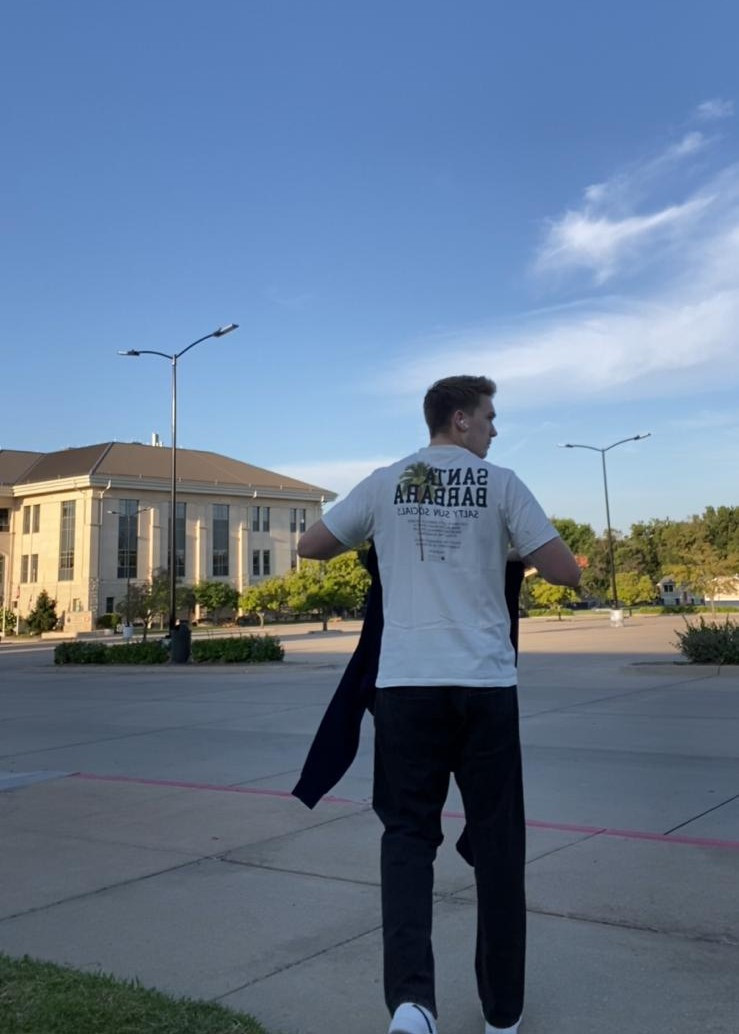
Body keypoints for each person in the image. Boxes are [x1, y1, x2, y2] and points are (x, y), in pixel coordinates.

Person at [298, 375, 581, 1034]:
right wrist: (511, 553)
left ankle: (411, 1005)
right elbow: (567, 571)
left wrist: (382, 540)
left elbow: (311, 546)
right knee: (498, 843)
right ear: (459, 419)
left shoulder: (387, 482)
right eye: (488, 417)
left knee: (406, 838)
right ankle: (502, 1014)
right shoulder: (502, 485)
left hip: (405, 687)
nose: (494, 429)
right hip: (484, 688)